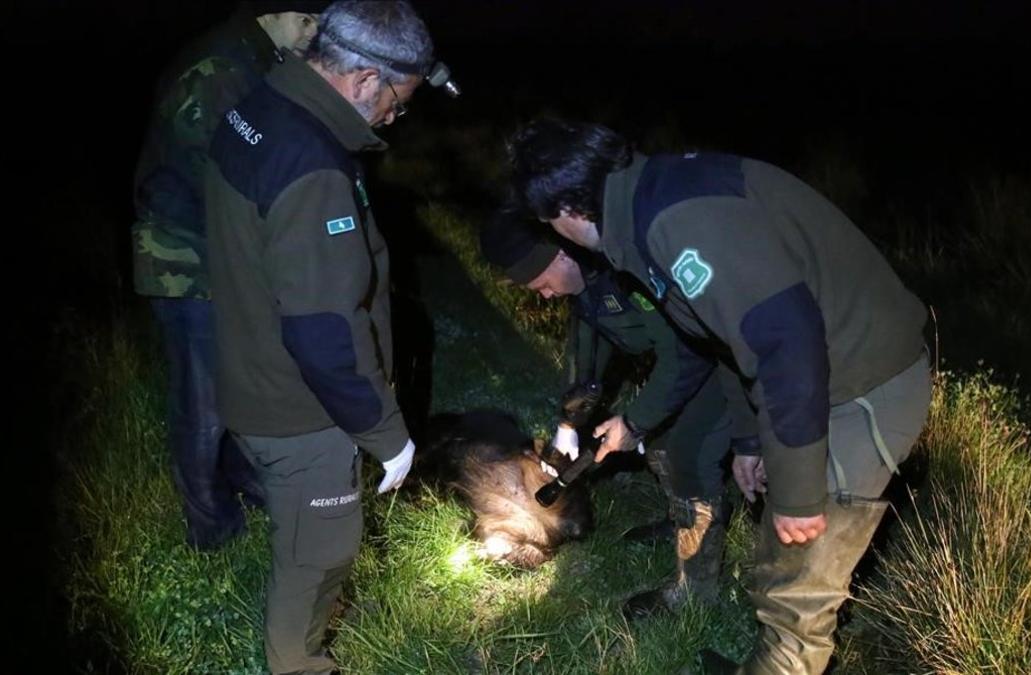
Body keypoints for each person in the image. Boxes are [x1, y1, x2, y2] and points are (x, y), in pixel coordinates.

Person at [507, 118, 933, 674]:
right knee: (777, 561)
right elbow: (729, 339)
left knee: (798, 586)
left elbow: (786, 343)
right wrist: (752, 438)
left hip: (860, 387)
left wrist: (801, 492)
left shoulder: (677, 220)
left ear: (562, 210)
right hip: (817, 383)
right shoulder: (645, 209)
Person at [205, 1, 437, 671]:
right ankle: (299, 661)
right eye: (399, 99)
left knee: (302, 538)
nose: (397, 115)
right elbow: (323, 331)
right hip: (302, 410)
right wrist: (385, 434)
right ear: (365, 79)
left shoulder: (262, 104)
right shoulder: (313, 164)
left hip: (249, 367)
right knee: (320, 553)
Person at [131, 0, 328, 551]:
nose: (312, 36)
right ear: (274, 11)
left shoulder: (259, 59)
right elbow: (216, 180)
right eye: (307, 21)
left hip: (225, 253)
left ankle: (241, 480)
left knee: (240, 383)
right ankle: (208, 525)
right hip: (183, 257)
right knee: (203, 404)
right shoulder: (218, 69)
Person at [480, 207, 742, 618]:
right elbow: (587, 354)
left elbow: (685, 354)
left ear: (561, 257)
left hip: (719, 361)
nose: (544, 295)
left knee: (689, 454)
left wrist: (635, 422)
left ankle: (695, 594)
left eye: (542, 283)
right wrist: (569, 420)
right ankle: (680, 522)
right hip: (680, 361)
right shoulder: (583, 288)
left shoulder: (628, 271)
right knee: (659, 444)